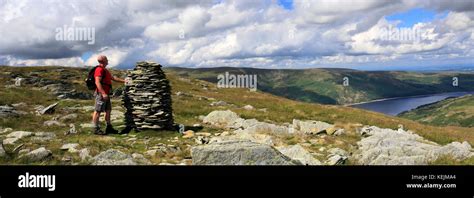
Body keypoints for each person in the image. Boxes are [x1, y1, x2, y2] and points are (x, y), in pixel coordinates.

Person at [92, 55, 126, 135]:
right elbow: (97, 82)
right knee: (98, 111)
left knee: (108, 110)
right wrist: (103, 93)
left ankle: (109, 128)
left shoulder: (105, 70)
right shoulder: (99, 69)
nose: (108, 60)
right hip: (101, 94)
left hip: (106, 94)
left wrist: (124, 81)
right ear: (103, 60)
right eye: (106, 59)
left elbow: (113, 78)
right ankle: (95, 129)